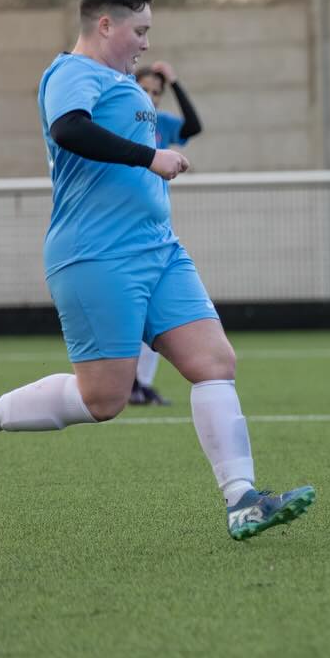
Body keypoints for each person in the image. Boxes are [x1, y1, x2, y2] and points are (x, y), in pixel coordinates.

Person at [0, 0, 314, 542]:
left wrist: (153, 161)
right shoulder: (70, 73)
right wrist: (149, 158)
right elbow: (70, 130)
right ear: (106, 25)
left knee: (214, 363)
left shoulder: (124, 82)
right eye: (140, 30)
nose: (147, 44)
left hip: (160, 252)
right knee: (104, 398)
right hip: (96, 256)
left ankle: (243, 500)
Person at [128, 60, 204, 406]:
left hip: (153, 230)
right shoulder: (119, 121)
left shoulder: (159, 125)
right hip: (123, 229)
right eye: (143, 89)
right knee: (131, 309)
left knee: (153, 310)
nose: (150, 97)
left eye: (155, 92)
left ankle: (139, 384)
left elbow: (194, 125)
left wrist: (174, 81)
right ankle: (127, 382)